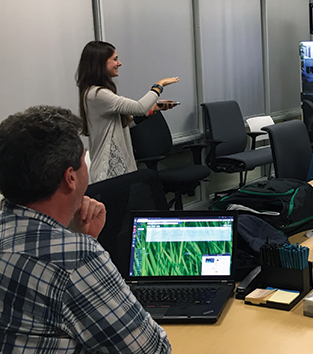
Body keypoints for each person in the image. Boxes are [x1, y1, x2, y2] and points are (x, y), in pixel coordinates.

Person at [0, 105, 171, 353]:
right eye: (84, 160)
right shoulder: (76, 258)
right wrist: (81, 246)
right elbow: (152, 350)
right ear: (71, 177)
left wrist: (79, 238)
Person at [77, 40, 179, 182]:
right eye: (115, 59)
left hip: (120, 169)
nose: (119, 63)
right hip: (108, 173)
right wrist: (159, 85)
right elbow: (139, 107)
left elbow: (125, 124)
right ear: (100, 63)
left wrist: (153, 109)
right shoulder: (97, 94)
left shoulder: (99, 92)